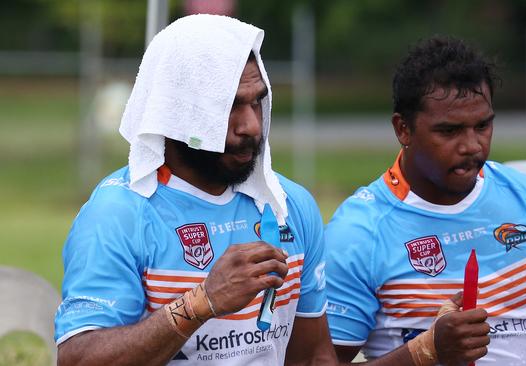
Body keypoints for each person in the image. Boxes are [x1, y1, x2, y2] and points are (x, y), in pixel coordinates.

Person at [54, 14, 338, 365]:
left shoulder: (289, 206)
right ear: (177, 112)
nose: (251, 125)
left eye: (256, 102)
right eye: (230, 106)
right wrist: (200, 303)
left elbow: (312, 358)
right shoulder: (118, 213)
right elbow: (77, 360)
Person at [324, 36, 526, 365]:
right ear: (403, 129)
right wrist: (425, 351)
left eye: (483, 125)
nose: (472, 146)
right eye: (449, 131)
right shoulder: (356, 235)